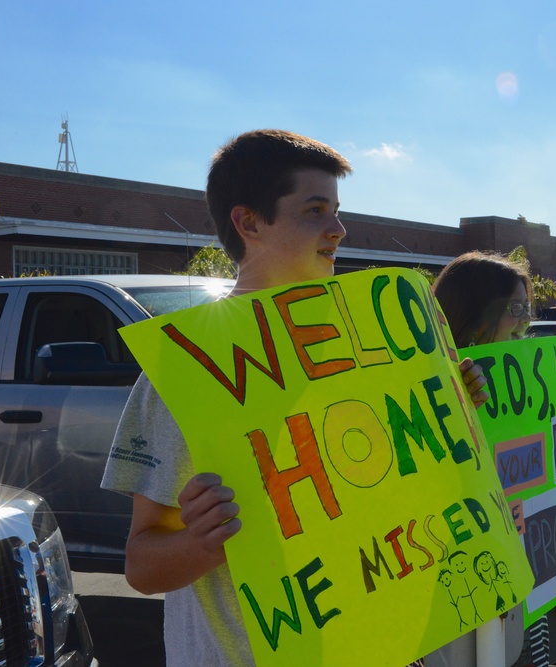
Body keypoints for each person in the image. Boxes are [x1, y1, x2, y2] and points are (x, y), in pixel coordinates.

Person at [102, 130, 489, 666]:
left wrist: (456, 418)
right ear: (249, 222)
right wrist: (202, 540)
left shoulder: (375, 347)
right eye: (314, 210)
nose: (338, 229)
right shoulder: (188, 368)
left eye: (336, 210)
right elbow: (141, 567)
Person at [433, 252, 556, 667]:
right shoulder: (425, 387)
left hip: (518, 580)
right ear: (474, 311)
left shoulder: (526, 381)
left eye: (526, 308)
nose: (524, 321)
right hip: (457, 594)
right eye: (514, 308)